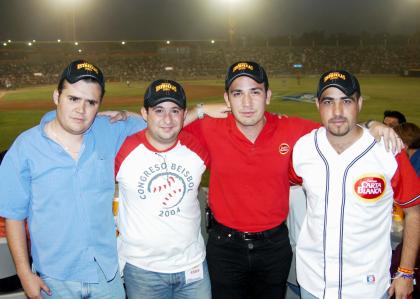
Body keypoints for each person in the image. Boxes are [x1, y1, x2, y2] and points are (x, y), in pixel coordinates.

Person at [183, 61, 401, 299]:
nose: (246, 103)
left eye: (255, 92)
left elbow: (338, 125)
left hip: (273, 246)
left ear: (268, 96)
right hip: (224, 246)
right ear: (227, 99)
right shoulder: (208, 128)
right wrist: (200, 110)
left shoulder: (293, 129)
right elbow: (162, 126)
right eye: (238, 94)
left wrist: (371, 125)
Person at [0, 60, 147, 299]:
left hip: (105, 276)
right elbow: (14, 216)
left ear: (99, 106)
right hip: (54, 280)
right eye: (73, 99)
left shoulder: (109, 130)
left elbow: (162, 124)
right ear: (57, 96)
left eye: (91, 102)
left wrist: (125, 114)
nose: (81, 110)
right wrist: (24, 273)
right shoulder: (25, 147)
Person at [289, 70, 420, 299]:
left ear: (359, 103)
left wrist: (406, 272)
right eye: (328, 101)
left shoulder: (388, 150)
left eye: (346, 101)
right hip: (313, 283)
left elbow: (414, 211)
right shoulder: (303, 148)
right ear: (317, 105)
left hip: (368, 287)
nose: (337, 111)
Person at [115, 79, 211, 299]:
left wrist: (203, 110)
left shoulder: (197, 148)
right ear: (144, 113)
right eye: (158, 110)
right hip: (142, 270)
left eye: (174, 110)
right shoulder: (123, 150)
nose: (167, 119)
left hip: (193, 267)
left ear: (184, 115)